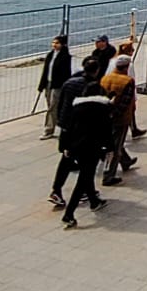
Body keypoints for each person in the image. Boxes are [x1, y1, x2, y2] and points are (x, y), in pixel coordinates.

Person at [58, 79, 112, 229]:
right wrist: (110, 148)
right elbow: (107, 130)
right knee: (83, 180)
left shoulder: (77, 107)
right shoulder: (103, 108)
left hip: (75, 148)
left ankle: (94, 201)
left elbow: (68, 128)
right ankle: (69, 214)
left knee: (86, 175)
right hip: (92, 149)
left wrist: (65, 146)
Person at [49, 57, 103, 208]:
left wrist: (61, 121)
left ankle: (57, 190)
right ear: (97, 71)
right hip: (81, 131)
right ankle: (87, 194)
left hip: (66, 127)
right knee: (87, 164)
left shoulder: (69, 82)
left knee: (67, 160)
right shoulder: (92, 87)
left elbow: (61, 104)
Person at [100, 55, 139, 185]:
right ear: (126, 67)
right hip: (120, 119)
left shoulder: (105, 78)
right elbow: (125, 103)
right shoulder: (127, 81)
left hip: (105, 116)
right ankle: (108, 175)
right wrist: (115, 114)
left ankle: (126, 161)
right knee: (115, 147)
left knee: (116, 142)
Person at [37, 35, 74, 140]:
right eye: (53, 42)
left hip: (58, 85)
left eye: (57, 43)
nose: (54, 45)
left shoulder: (65, 57)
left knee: (52, 107)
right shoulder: (50, 55)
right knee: (51, 106)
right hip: (48, 83)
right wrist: (41, 85)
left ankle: (49, 130)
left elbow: (66, 73)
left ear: (62, 44)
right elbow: (45, 71)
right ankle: (59, 123)